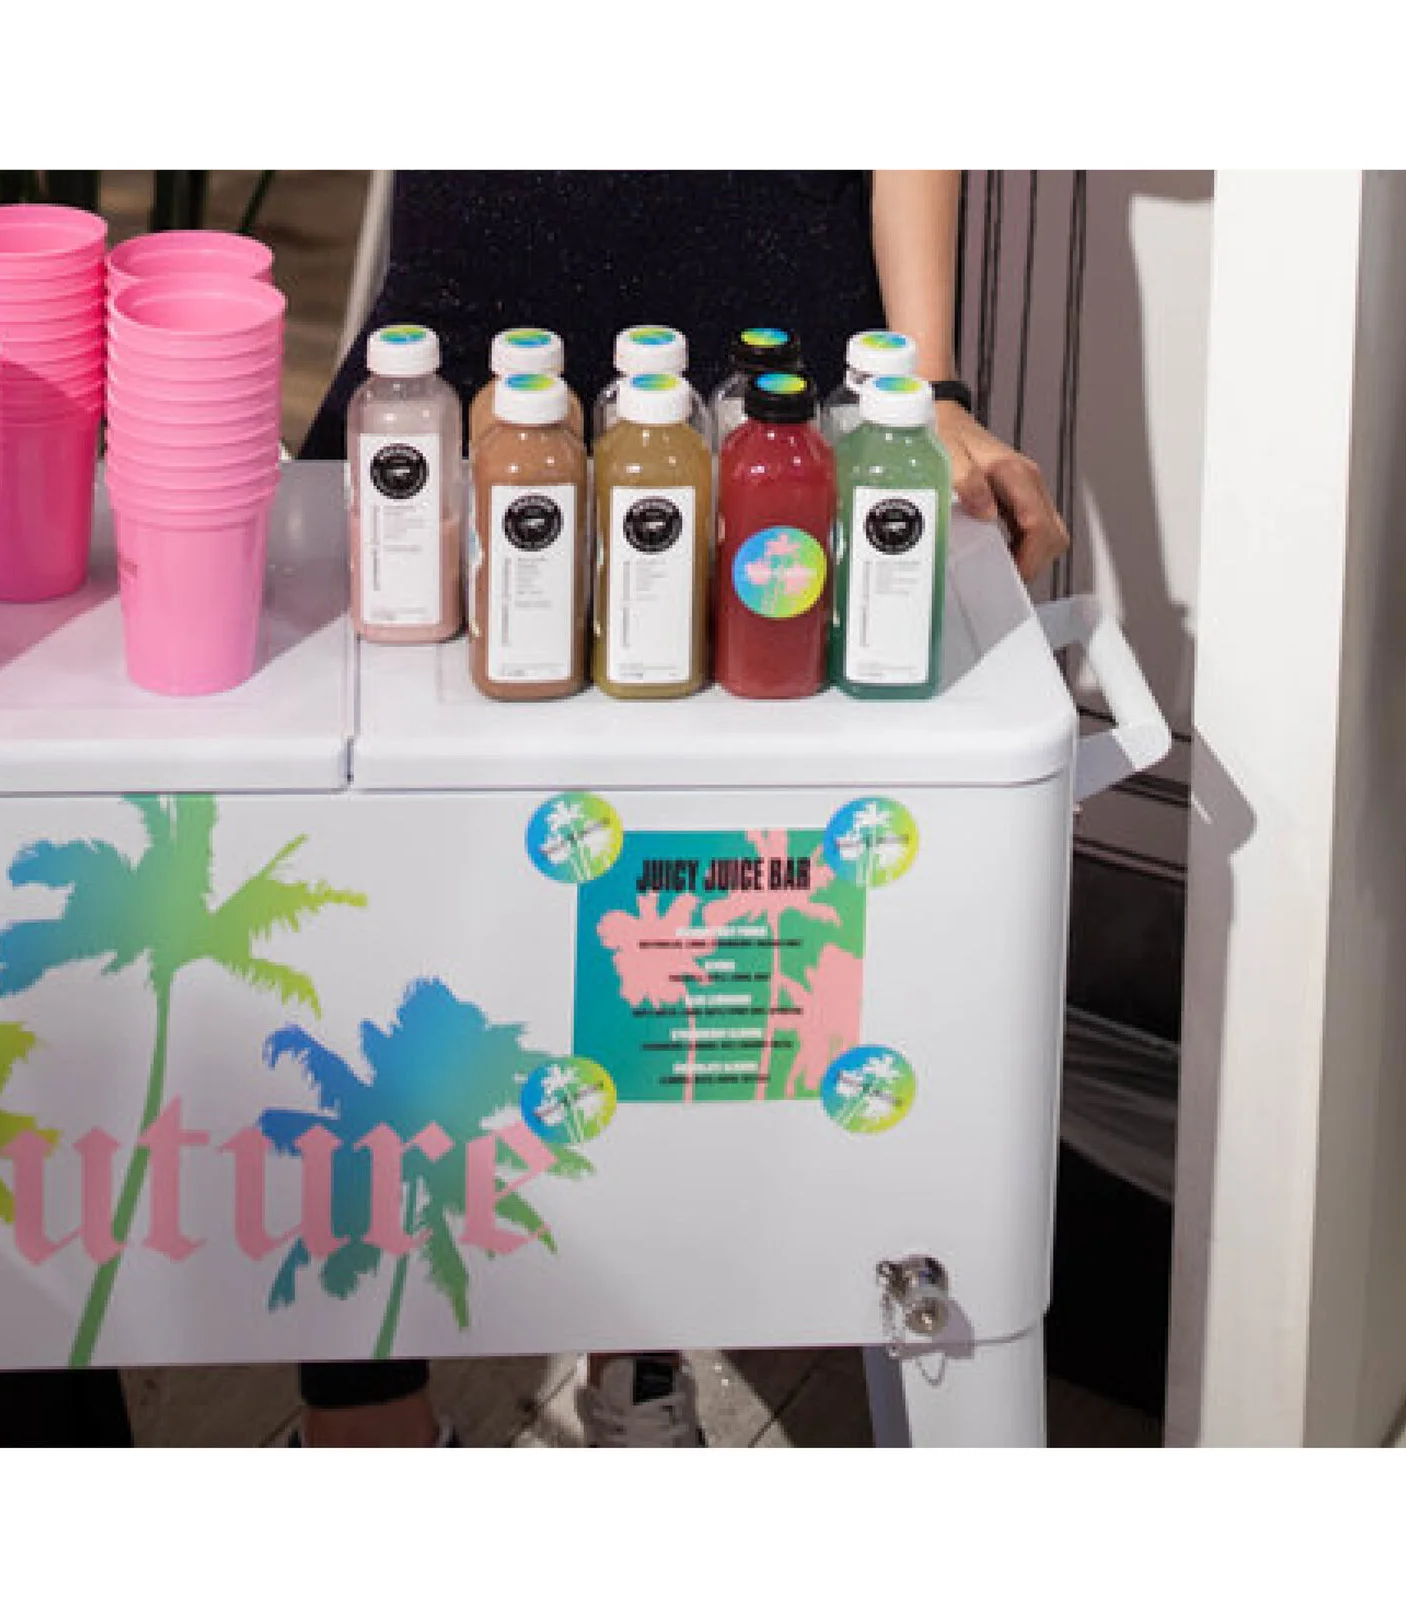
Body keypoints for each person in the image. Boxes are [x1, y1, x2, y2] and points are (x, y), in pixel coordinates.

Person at [289, 169, 1072, 1449]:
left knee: (692, 911)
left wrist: (923, 390)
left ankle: (637, 1354)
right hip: (475, 320)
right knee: (370, 902)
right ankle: (366, 1411)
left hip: (768, 355)